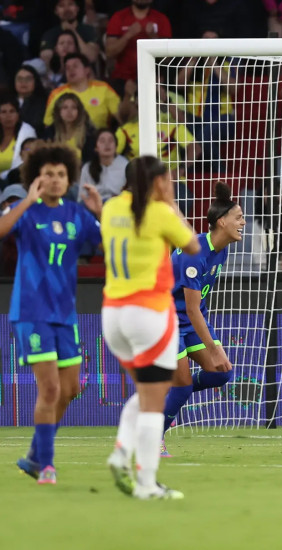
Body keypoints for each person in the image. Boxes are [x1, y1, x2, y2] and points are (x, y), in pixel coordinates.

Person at [0, 144, 103, 484]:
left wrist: (100, 213)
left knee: (70, 388)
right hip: (32, 313)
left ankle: (33, 456)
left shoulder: (76, 214)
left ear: (69, 177)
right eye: (48, 175)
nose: (55, 180)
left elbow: (107, 245)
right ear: (36, 178)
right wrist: (27, 200)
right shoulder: (25, 211)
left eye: (61, 175)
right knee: (49, 390)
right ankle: (47, 465)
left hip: (65, 314)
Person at [102, 155, 200, 500]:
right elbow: (192, 245)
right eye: (167, 179)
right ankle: (146, 484)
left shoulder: (110, 208)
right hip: (148, 313)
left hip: (112, 314)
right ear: (156, 182)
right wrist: (171, 205)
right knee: (154, 398)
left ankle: (121, 452)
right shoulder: (158, 212)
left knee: (147, 392)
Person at [160, 182, 244, 457]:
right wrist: (214, 347)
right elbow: (193, 309)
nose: (243, 222)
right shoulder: (194, 255)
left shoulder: (221, 249)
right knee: (183, 386)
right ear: (222, 222)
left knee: (221, 373)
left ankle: (171, 392)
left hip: (189, 319)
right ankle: (152, 436)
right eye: (239, 217)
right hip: (167, 320)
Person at [80, 128, 128, 202]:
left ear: (116, 146)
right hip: (94, 205)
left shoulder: (125, 165)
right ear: (96, 147)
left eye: (110, 141)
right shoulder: (87, 168)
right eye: (102, 141)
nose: (107, 144)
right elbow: (82, 196)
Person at [0, 94, 37, 180]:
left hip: (16, 182)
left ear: (18, 114)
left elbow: (26, 164)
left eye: (12, 111)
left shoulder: (27, 133)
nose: (8, 116)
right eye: (3, 112)